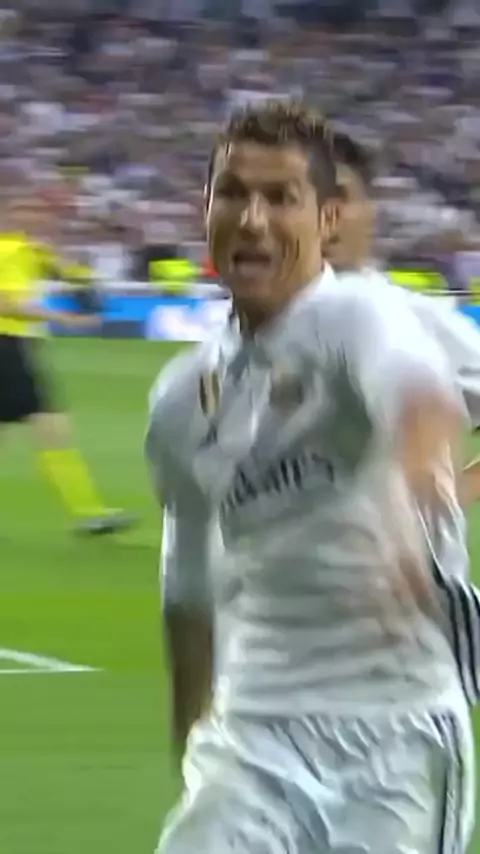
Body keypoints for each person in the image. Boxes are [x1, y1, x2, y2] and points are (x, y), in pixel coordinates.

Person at [146, 101, 471, 854]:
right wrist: (191, 744)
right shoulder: (180, 400)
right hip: (253, 734)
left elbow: (413, 388)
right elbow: (187, 590)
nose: (252, 219)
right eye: (233, 193)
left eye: (281, 197)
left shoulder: (361, 316)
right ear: (205, 209)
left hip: (396, 737)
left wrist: (427, 475)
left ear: (327, 221)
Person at [0, 200, 135, 535]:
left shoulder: (28, 251)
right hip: (6, 346)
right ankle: (88, 512)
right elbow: (6, 304)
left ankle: (88, 512)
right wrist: (64, 317)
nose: (50, 224)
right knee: (50, 425)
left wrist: (74, 276)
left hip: (12, 346)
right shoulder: (11, 251)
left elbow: (72, 276)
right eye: (40, 215)